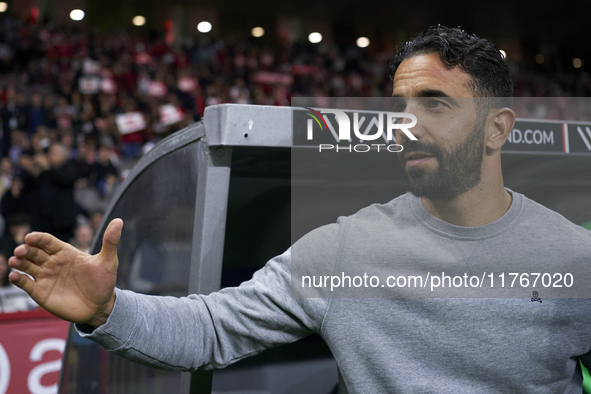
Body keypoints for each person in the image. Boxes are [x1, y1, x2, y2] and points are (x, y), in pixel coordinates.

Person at [7, 26, 591, 392]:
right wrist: (107, 311)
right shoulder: (344, 250)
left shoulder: (573, 255)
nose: (406, 125)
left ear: (497, 130)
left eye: (435, 104)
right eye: (399, 106)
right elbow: (210, 328)